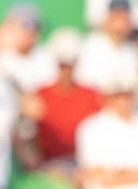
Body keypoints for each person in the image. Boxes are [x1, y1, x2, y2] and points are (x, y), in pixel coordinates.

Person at [26, 31, 103, 170]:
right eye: (62, 65)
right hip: (51, 165)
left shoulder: (91, 95)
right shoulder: (40, 95)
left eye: (69, 65)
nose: (66, 71)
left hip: (86, 163)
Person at [75, 0, 138, 92]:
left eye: (124, 17)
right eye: (116, 16)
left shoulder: (134, 50)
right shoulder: (90, 45)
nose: (120, 22)